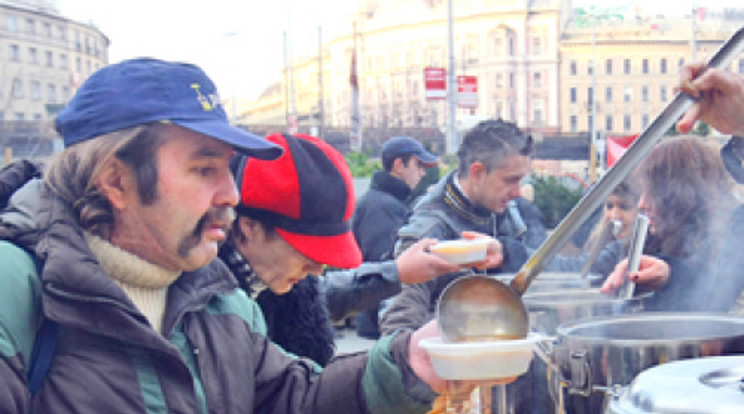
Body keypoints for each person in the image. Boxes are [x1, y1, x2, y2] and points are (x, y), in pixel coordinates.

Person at [0, 57, 475, 413]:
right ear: (116, 181)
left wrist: (408, 363)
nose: (231, 193)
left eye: (228, 169)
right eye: (203, 168)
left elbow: (294, 399)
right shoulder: (15, 291)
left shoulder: (219, 300)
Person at [220, 132, 464, 366]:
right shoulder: (202, 309)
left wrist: (397, 272)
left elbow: (323, 293)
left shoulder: (279, 285)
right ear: (250, 226)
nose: (317, 270)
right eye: (307, 252)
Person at [601, 135, 744, 312]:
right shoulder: (652, 242)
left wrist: (669, 274)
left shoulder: (730, 240)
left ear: (683, 196)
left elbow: (713, 301)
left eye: (653, 192)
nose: (642, 204)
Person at [352, 136, 438, 339]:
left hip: (382, 318)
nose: (422, 172)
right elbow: (383, 268)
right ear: (399, 165)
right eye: (418, 165)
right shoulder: (382, 207)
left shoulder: (387, 202)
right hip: (383, 321)